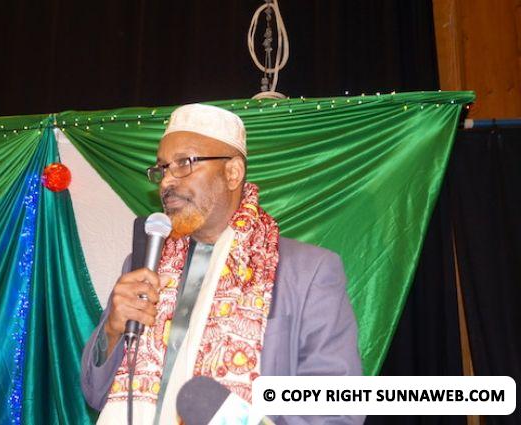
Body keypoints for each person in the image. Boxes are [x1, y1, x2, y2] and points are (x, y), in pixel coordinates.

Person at [81, 103, 364, 424]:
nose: (166, 182)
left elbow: (337, 408)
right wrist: (113, 330)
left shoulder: (306, 272)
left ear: (232, 173)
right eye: (162, 168)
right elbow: (94, 392)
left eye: (184, 163)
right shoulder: (145, 265)